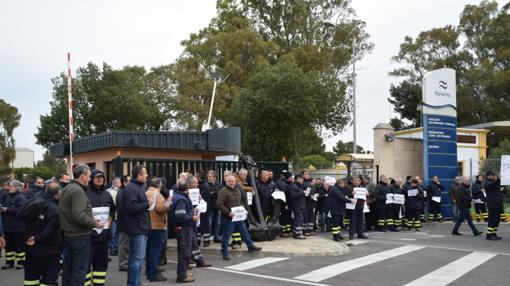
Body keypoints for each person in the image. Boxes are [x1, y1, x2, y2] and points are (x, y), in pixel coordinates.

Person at [60, 165, 105, 286]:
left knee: (68, 271)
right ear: (83, 175)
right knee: (79, 272)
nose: (90, 179)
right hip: (80, 236)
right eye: (89, 175)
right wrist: (96, 223)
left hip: (70, 235)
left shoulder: (68, 188)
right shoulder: (78, 191)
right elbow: (78, 215)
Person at [18, 182, 62, 286]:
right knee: (49, 279)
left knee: (31, 279)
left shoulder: (33, 201)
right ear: (58, 193)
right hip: (48, 251)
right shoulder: (54, 209)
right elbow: (51, 230)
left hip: (30, 249)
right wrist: (37, 238)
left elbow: (19, 215)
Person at [121, 165, 153, 286]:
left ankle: (136, 282)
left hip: (141, 227)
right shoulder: (131, 188)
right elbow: (131, 207)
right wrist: (147, 204)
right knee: (136, 259)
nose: (147, 175)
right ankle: (133, 283)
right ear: (138, 175)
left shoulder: (137, 187)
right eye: (145, 173)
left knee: (138, 259)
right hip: (136, 228)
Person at [217, 175, 262, 260]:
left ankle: (251, 246)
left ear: (235, 182)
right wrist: (228, 212)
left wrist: (243, 210)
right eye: (229, 181)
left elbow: (241, 202)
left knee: (244, 232)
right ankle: (225, 253)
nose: (231, 182)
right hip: (228, 218)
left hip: (238, 217)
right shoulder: (223, 191)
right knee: (226, 235)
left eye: (232, 181)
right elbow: (219, 204)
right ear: (226, 182)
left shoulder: (237, 190)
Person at [86, 169, 116, 286]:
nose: (99, 179)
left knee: (101, 265)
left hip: (104, 237)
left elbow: (113, 209)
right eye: (97, 177)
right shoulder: (85, 193)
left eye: (101, 177)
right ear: (92, 179)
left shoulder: (107, 194)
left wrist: (111, 217)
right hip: (90, 236)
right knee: (86, 265)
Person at [171, 178, 197, 283]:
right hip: (184, 228)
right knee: (185, 253)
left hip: (182, 227)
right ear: (187, 188)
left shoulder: (178, 197)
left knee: (183, 251)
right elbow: (180, 216)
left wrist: (192, 211)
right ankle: (182, 276)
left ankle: (184, 273)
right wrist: (192, 218)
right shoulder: (181, 199)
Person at [145, 177, 171, 282]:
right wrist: (168, 203)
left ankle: (149, 270)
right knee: (155, 251)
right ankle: (153, 274)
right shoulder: (157, 194)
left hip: (148, 225)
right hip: (157, 226)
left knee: (149, 250)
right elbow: (160, 209)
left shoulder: (146, 192)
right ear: (160, 185)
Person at [0, 179, 27, 270]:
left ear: (17, 188)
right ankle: (9, 262)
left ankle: (21, 262)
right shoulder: (7, 196)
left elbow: (21, 211)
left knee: (19, 246)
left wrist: (7, 210)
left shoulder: (21, 198)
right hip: (8, 227)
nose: (9, 188)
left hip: (18, 227)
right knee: (8, 246)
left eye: (11, 186)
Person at [117, 175, 131, 272]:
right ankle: (123, 264)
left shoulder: (123, 192)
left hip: (125, 222)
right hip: (124, 223)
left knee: (126, 244)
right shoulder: (122, 193)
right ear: (125, 182)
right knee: (124, 244)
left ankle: (125, 263)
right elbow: (123, 209)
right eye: (130, 181)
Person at [484, 171, 503, 241]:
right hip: (492, 205)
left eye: (493, 175)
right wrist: (498, 179)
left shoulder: (495, 183)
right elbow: (492, 185)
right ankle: (489, 235)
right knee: (492, 220)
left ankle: (494, 233)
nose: (493, 176)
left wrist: (502, 183)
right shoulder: (487, 183)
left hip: (497, 204)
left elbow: (503, 190)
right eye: (492, 175)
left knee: (496, 220)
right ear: (488, 176)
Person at [107, 177, 121, 256]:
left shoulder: (121, 191)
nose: (121, 184)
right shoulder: (110, 192)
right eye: (119, 182)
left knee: (116, 233)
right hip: (112, 216)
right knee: (113, 233)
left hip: (118, 216)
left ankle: (115, 247)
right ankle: (112, 248)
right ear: (115, 183)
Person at [207, 171, 222, 243]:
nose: (208, 178)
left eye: (210, 176)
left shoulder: (219, 184)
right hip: (210, 207)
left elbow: (220, 193)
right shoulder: (206, 184)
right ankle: (208, 237)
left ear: (214, 177)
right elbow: (207, 194)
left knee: (217, 223)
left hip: (217, 206)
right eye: (208, 176)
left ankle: (217, 237)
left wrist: (213, 192)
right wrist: (214, 193)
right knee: (209, 222)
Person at [197, 172, 211, 247]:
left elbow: (203, 198)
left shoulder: (204, 186)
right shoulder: (203, 185)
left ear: (200, 177)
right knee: (200, 224)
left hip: (204, 208)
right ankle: (198, 240)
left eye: (197, 176)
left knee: (204, 224)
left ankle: (206, 241)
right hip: (202, 208)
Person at [277, 171, 293, 237]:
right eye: (290, 177)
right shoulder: (284, 185)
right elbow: (284, 196)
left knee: (288, 218)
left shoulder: (289, 183)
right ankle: (283, 232)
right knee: (284, 218)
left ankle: (288, 231)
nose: (292, 178)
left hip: (289, 204)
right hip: (285, 205)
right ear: (287, 177)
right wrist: (285, 204)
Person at [290, 174, 306, 239]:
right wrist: (303, 193)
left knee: (299, 219)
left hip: (300, 205)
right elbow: (293, 196)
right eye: (302, 178)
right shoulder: (293, 186)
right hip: (297, 206)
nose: (303, 180)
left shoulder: (299, 186)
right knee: (298, 219)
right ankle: (298, 234)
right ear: (298, 179)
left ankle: (297, 232)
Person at [302, 170, 316, 236]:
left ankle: (310, 230)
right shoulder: (302, 183)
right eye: (306, 174)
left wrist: (315, 195)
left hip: (312, 203)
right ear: (302, 175)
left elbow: (312, 191)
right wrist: (310, 196)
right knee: (305, 217)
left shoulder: (309, 183)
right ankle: (304, 231)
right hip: (305, 203)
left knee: (311, 217)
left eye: (308, 174)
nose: (308, 175)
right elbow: (303, 193)